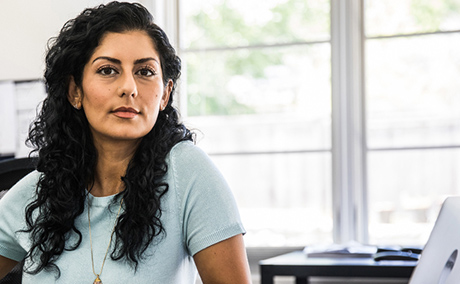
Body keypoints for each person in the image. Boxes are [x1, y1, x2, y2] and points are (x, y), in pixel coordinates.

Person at [0, 2, 251, 283]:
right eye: (108, 70)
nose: (129, 88)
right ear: (75, 91)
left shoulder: (188, 174)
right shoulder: (37, 193)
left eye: (145, 72)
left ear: (165, 93)